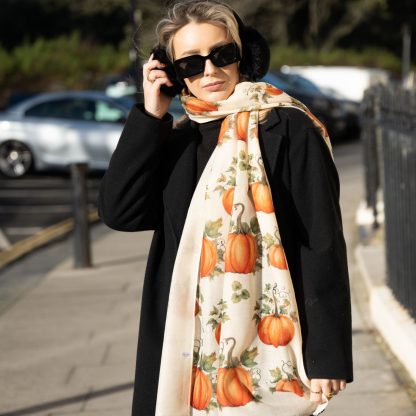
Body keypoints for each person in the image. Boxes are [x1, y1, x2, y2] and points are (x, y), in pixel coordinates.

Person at [98, 1, 353, 415]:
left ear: (244, 54)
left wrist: (328, 356)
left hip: (269, 346)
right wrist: (150, 116)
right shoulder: (179, 139)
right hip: (184, 348)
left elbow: (320, 242)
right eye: (190, 64)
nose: (210, 72)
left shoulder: (288, 128)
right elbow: (120, 211)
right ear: (170, 72)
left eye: (222, 55)